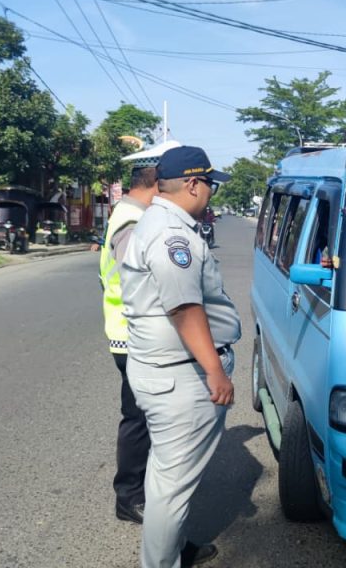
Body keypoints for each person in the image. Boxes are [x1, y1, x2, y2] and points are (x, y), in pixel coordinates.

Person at [120, 146, 240, 568]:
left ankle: (167, 553)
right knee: (172, 487)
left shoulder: (156, 221)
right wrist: (215, 372)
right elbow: (183, 307)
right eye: (209, 183)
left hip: (161, 370)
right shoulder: (173, 235)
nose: (211, 192)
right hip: (181, 377)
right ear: (192, 183)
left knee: (164, 479)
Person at [99, 165, 159, 525]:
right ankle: (130, 496)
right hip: (132, 335)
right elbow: (136, 281)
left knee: (142, 418)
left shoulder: (128, 214)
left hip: (130, 332)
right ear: (153, 186)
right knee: (138, 419)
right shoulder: (132, 223)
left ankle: (136, 491)